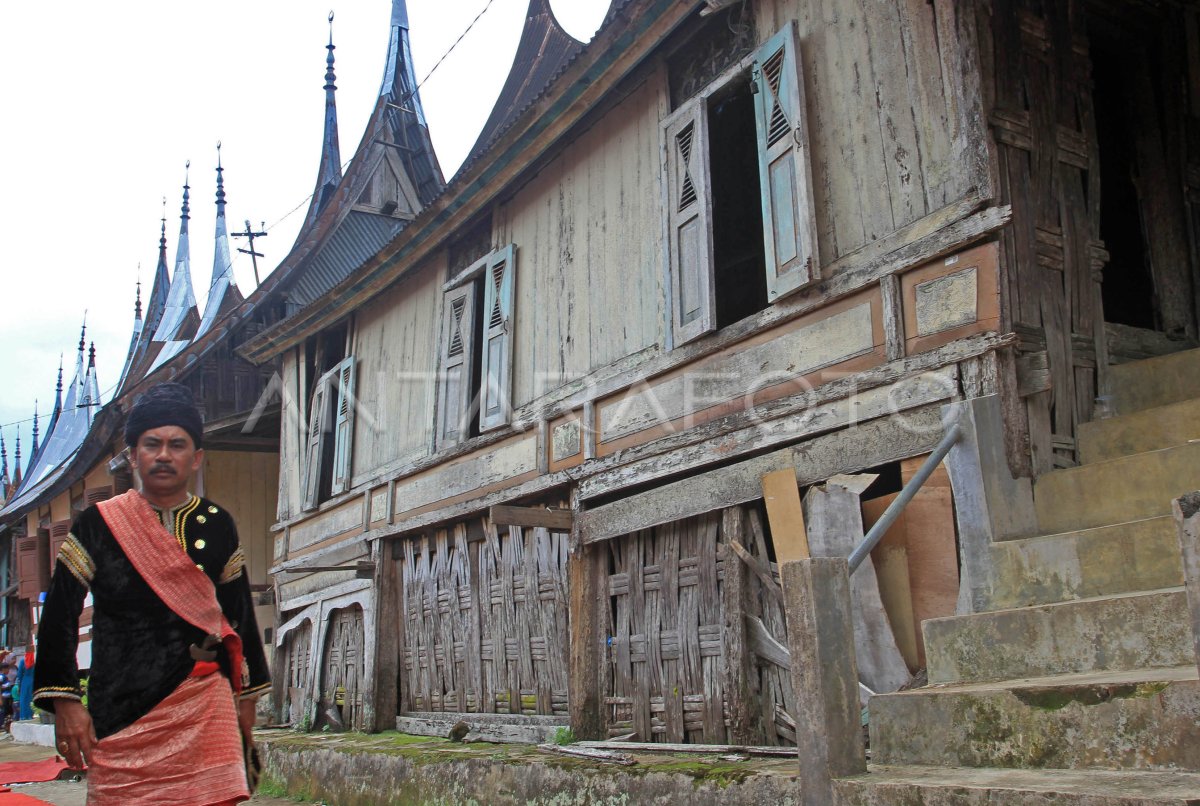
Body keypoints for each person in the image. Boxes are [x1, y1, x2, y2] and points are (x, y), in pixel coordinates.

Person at [32, 383, 270, 805]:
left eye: (177, 445)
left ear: (196, 457)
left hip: (204, 704)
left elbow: (239, 618)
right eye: (152, 444)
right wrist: (66, 702)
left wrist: (247, 702)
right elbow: (60, 616)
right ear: (132, 456)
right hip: (121, 708)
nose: (164, 455)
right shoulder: (97, 524)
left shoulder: (218, 524)